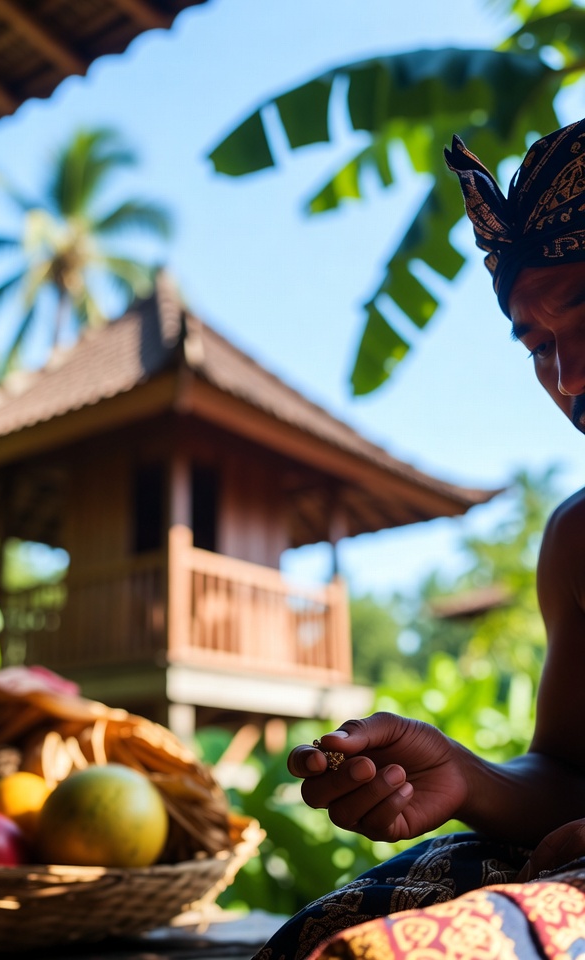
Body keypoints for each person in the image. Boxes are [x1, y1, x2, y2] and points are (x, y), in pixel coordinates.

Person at [254, 117, 585, 960]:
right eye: (538, 344)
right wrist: (462, 774)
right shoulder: (578, 541)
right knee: (337, 935)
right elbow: (570, 778)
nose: (567, 376)